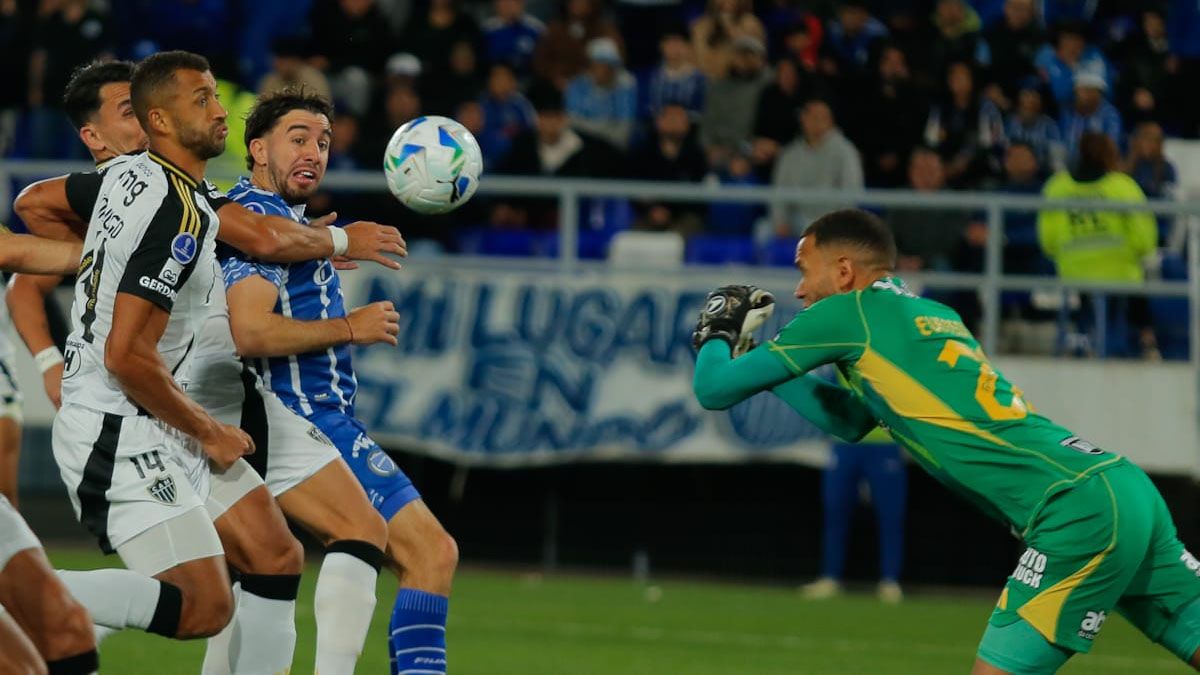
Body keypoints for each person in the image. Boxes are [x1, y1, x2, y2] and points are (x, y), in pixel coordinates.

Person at [12, 59, 405, 673]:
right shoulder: (175, 216)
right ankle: (19, 589)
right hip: (119, 429)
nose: (221, 109)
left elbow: (261, 235)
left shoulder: (130, 176)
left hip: (159, 412)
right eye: (203, 100)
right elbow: (126, 357)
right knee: (202, 610)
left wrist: (93, 256)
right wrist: (209, 430)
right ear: (160, 120)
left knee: (275, 555)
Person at [691, 208, 1200, 674]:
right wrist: (760, 359)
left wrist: (716, 333)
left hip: (1073, 510)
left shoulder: (848, 314)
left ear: (844, 272)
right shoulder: (932, 314)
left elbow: (712, 390)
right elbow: (850, 422)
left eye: (806, 272)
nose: (800, 292)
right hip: (1122, 488)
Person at [222, 90, 459, 675]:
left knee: (242, 590)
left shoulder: (282, 224)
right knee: (428, 552)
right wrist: (350, 325)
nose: (314, 152)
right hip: (302, 416)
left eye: (323, 142)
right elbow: (249, 329)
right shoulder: (260, 222)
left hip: (291, 418)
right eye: (298, 138)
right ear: (257, 149)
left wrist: (319, 253)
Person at [1038, 132, 1159, 359]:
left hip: (1073, 271)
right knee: (1138, 281)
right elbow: (1145, 239)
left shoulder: (1057, 186)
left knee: (1093, 291)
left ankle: (1089, 339)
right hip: (1121, 270)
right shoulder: (1122, 186)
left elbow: (1047, 241)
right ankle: (1145, 342)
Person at [770, 99, 863, 236]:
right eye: (809, 116)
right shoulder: (790, 154)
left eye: (820, 117)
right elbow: (778, 192)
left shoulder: (845, 151)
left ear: (830, 120)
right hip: (795, 220)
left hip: (830, 222)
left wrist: (839, 225)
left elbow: (851, 193)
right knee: (763, 230)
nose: (814, 121)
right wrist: (780, 222)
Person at [564, 37, 637, 149]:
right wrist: (604, 128)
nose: (603, 70)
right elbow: (571, 124)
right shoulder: (577, 85)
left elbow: (623, 134)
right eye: (598, 64)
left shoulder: (626, 86)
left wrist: (588, 128)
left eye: (608, 65)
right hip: (582, 148)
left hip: (613, 150)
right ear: (590, 65)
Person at [1060, 73, 1122, 161]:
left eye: (1090, 90)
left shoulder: (1110, 115)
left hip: (1099, 164)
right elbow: (1061, 142)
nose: (1086, 95)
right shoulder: (1068, 113)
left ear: (1099, 93)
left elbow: (1111, 146)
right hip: (1069, 165)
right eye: (1082, 90)